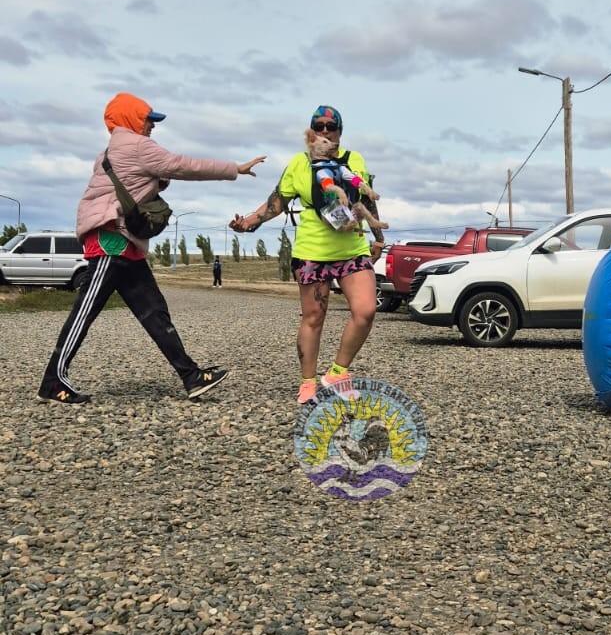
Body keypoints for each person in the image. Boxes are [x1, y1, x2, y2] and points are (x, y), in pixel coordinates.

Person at [38, 92, 264, 405]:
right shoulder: (136, 145)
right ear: (131, 118)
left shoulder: (113, 150)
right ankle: (52, 381)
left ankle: (191, 376)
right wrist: (233, 169)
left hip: (126, 244)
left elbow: (149, 178)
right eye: (148, 120)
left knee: (155, 313)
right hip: (110, 241)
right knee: (84, 313)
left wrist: (160, 179)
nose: (152, 126)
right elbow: (181, 165)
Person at [230, 104, 377, 404]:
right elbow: (276, 203)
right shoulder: (298, 163)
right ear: (311, 132)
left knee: (365, 311)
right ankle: (308, 382)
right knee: (313, 317)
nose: (324, 131)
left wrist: (379, 236)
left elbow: (367, 199)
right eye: (318, 126)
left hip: (352, 248)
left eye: (330, 126)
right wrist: (248, 223)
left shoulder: (355, 159)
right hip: (312, 249)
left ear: (339, 131)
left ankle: (337, 373)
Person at [305, 125, 388, 239]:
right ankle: (346, 226)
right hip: (330, 209)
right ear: (312, 144)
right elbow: (327, 185)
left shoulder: (335, 165)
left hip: (346, 207)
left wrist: (367, 189)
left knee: (358, 206)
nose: (331, 144)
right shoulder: (320, 169)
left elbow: (351, 177)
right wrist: (340, 192)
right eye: (325, 142)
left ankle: (373, 222)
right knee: (333, 209)